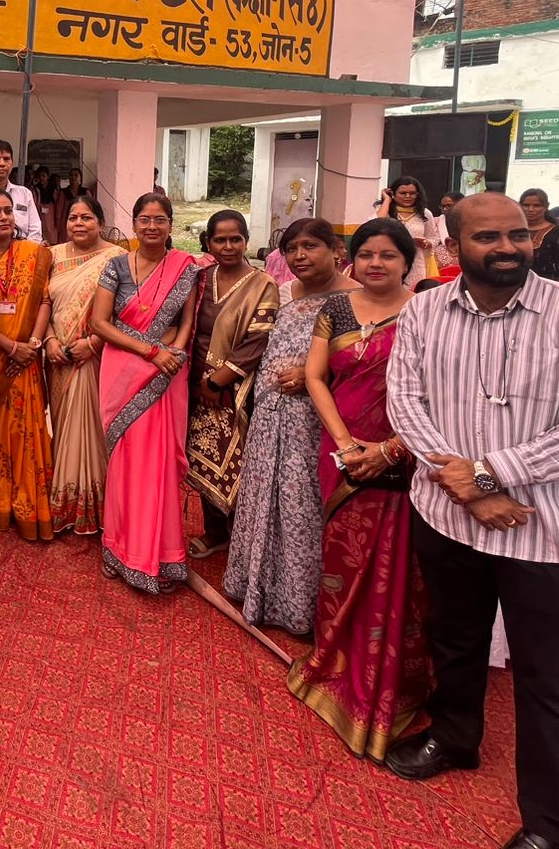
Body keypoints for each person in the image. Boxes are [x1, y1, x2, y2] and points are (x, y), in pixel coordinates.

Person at [385, 193, 559, 849]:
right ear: (452, 247)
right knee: (455, 639)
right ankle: (454, 737)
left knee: (547, 677)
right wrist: (469, 490)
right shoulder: (425, 310)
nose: (507, 248)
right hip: (447, 516)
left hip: (544, 527)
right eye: (487, 237)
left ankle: (552, 826)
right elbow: (406, 403)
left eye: (517, 235)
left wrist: (491, 473)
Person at [289, 218, 430, 760]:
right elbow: (316, 376)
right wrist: (345, 442)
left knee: (396, 565)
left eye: (387, 255)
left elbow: (437, 391)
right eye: (366, 254)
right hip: (340, 447)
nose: (375, 263)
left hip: (401, 452)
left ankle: (388, 680)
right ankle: (332, 657)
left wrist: (390, 448)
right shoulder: (336, 309)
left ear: (406, 262)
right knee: (340, 555)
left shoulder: (425, 311)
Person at [224, 218, 359, 633]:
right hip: (269, 415)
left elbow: (361, 364)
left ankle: (300, 605)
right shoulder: (283, 293)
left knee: (302, 504)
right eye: (292, 249)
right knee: (262, 495)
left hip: (314, 420)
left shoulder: (354, 299)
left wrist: (313, 374)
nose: (300, 256)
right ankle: (255, 587)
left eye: (310, 246)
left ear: (336, 250)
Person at [89, 192, 200, 594]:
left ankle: (163, 554)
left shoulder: (185, 267)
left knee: (159, 467)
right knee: (127, 463)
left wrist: (175, 356)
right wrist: (151, 352)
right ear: (134, 224)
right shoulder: (116, 266)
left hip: (167, 374)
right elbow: (99, 324)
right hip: (124, 371)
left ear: (170, 225)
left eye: (160, 220)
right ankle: (119, 549)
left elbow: (187, 322)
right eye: (144, 220)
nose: (152, 226)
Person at [185, 210, 279, 560]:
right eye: (220, 240)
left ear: (246, 241)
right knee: (201, 457)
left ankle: (241, 536)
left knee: (237, 462)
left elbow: (258, 340)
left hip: (234, 390)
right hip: (192, 383)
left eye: (235, 239)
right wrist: (199, 382)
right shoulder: (200, 278)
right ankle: (214, 532)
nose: (228, 246)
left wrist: (217, 380)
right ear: (208, 243)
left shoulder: (262, 284)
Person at [0, 190, 55, 539]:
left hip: (27, 358)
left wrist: (32, 344)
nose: (4, 217)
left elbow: (45, 300)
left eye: (8, 211)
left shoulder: (35, 253)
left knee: (26, 430)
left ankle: (30, 504)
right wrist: (10, 347)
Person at [43, 195, 125, 536]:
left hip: (95, 358)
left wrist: (92, 344)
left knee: (92, 429)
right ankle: (63, 503)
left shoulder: (117, 258)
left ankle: (95, 506)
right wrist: (49, 341)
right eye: (73, 218)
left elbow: (124, 313)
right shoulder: (51, 256)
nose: (78, 223)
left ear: (101, 223)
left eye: (87, 217)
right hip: (57, 357)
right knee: (62, 427)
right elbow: (43, 305)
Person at [375, 175, 442, 288]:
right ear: (393, 194)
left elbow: (434, 238)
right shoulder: (383, 210)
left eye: (412, 193)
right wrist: (387, 200)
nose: (408, 196)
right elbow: (376, 226)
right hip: (389, 260)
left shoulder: (424, 213)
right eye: (403, 193)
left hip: (416, 263)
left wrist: (427, 243)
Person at [519, 188, 559, 283]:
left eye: (537, 205)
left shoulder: (557, 231)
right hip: (509, 285)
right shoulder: (512, 229)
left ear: (546, 206)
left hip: (544, 285)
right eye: (526, 205)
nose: (530, 209)